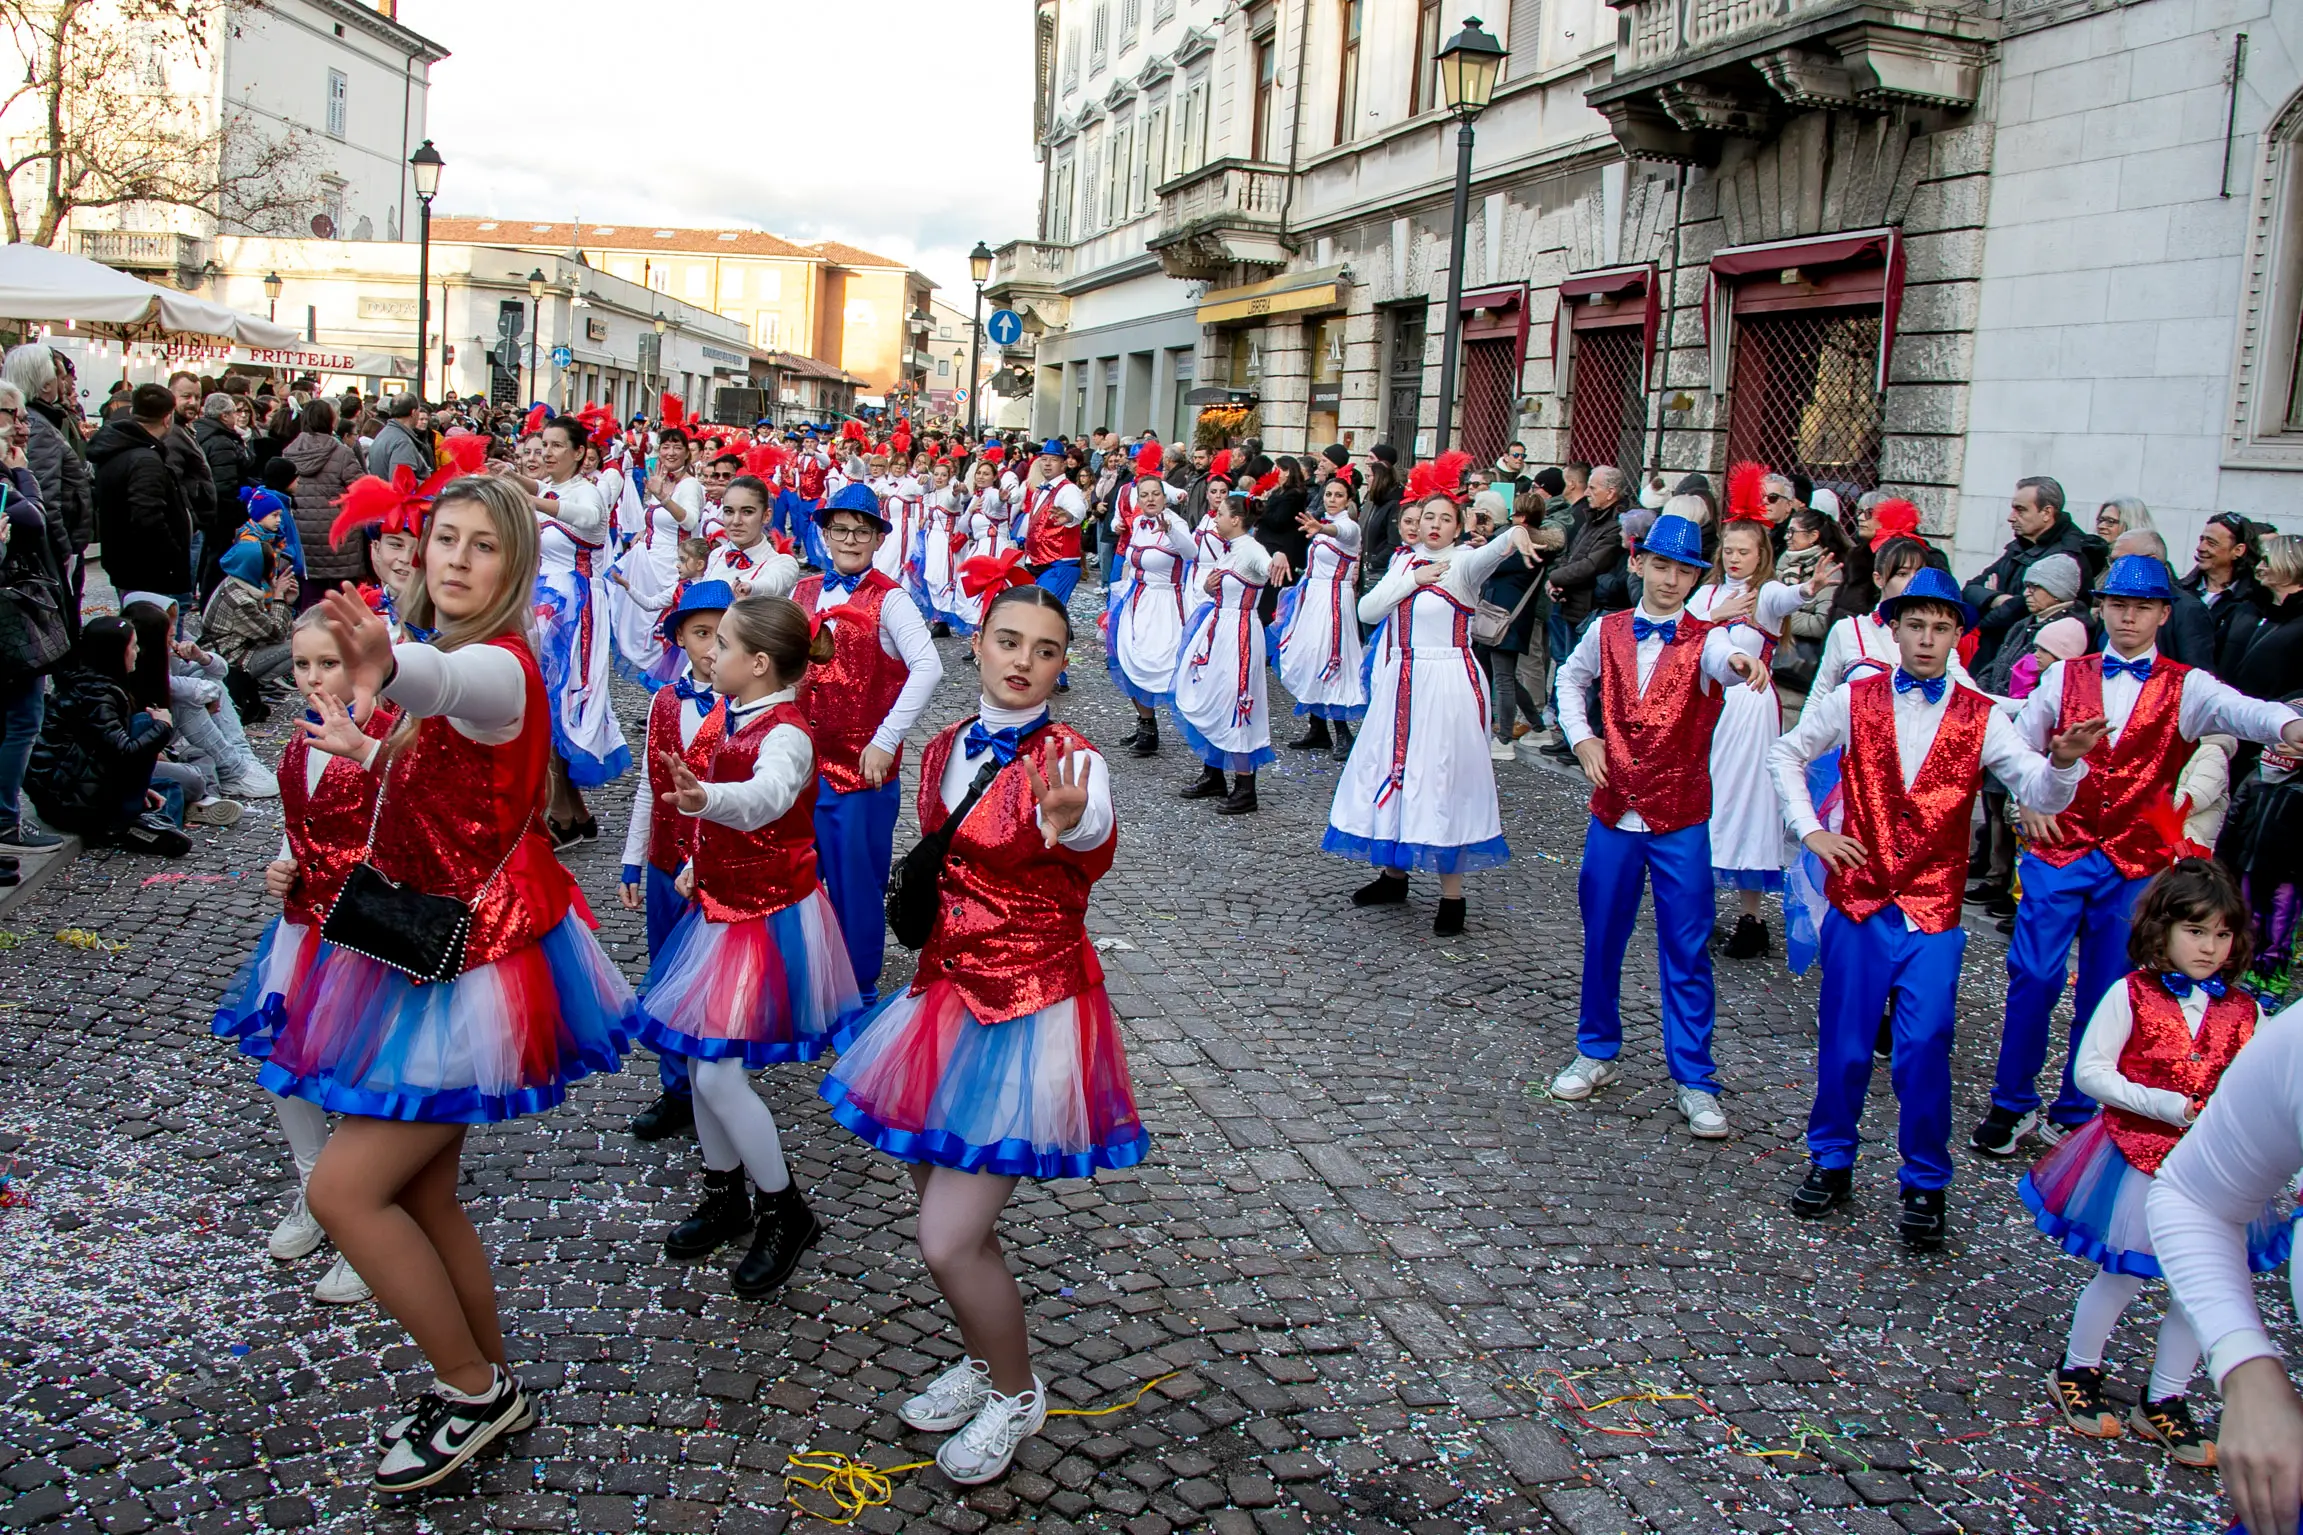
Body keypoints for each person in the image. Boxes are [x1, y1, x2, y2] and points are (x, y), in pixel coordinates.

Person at [266, 479, 637, 1492]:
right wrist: (372, 747)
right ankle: (488, 1377)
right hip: (423, 944)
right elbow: (433, 749)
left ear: (514, 566)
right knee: (426, 1196)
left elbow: (444, 685)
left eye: (483, 545)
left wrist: (394, 666)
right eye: (444, 540)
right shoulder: (453, 661)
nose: (457, 558)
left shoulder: (497, 665)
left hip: (474, 960)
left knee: (345, 1189)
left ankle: (470, 1389)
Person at [818, 583, 1143, 1487]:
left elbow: (1097, 830)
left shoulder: (1072, 760)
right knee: (947, 1218)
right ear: (977, 645)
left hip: (1029, 1013)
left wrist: (1074, 825)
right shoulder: (946, 748)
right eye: (1006, 640)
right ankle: (982, 1355)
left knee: (946, 1238)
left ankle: (1013, 1392)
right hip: (942, 1003)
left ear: (1059, 664)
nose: (1020, 659)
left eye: (1042, 649)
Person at [1768, 567, 2101, 1247]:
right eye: (1914, 625)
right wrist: (1811, 831)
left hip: (1930, 909)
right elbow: (1786, 752)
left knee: (1923, 1045)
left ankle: (1924, 1179)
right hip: (1859, 903)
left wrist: (2063, 762)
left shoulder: (1981, 716)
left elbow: (2035, 785)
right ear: (1892, 630)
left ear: (1958, 636)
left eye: (1939, 627)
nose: (1925, 638)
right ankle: (1831, 1159)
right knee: (1846, 1043)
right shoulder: (1853, 698)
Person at [1974, 554, 2303, 1155]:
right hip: (2061, 850)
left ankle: (2077, 1107)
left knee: (2109, 988)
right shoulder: (2065, 676)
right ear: (2101, 608)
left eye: (2142, 607)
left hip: (2135, 859)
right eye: (2118, 605)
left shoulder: (2190, 685)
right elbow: (2015, 743)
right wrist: (2030, 797)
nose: (2128, 617)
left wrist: (2287, 726)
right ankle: (2011, 1100)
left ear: (2161, 614)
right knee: (2033, 975)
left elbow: (2246, 711)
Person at [2023, 859, 2283, 1468]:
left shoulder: (2246, 1012)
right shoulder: (2131, 994)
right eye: (2196, 932)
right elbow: (2091, 1070)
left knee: (2200, 1290)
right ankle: (2077, 1368)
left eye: (2221, 935)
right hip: (2136, 1159)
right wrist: (2162, 1103)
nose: (2209, 947)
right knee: (2121, 1274)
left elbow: (2262, 1085)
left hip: (2215, 1173)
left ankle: (2165, 1398)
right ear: (2163, 930)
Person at [637, 594, 861, 1298]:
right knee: (706, 1063)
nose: (709, 652)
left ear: (758, 664)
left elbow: (765, 798)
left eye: (723, 643)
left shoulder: (787, 732)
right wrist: (699, 853)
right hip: (722, 906)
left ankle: (783, 1208)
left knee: (718, 1074)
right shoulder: (731, 712)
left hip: (767, 918)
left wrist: (704, 801)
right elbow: (737, 809)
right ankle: (725, 1192)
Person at [1549, 513, 1768, 1137]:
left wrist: (1741, 667)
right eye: (1662, 566)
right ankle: (1596, 1051)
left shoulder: (1709, 639)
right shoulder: (1608, 628)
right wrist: (1583, 735)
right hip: (1615, 814)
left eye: (1684, 570)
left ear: (1697, 577)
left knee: (1687, 947)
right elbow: (1570, 677)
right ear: (1638, 564)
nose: (1671, 580)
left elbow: (1726, 660)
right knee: (1603, 938)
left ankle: (1695, 1079)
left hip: (1680, 821)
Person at [211, 608, 396, 1307]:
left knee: (354, 1065)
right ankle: (315, 1186)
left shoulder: (383, 735)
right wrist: (281, 864)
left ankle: (365, 1212)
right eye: (302, 665)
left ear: (362, 666)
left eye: (328, 664)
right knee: (284, 1062)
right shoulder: (299, 741)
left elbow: (409, 829)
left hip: (362, 932)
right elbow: (300, 820)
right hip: (303, 922)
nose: (313, 678)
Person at [1327, 453, 1539, 936]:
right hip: (1401, 681)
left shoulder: (1463, 564)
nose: (1436, 525)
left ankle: (1452, 896)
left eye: (1446, 519)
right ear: (1416, 523)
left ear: (1460, 525)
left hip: (1446, 683)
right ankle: (1393, 874)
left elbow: (1492, 554)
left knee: (1443, 776)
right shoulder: (1405, 561)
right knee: (1394, 770)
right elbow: (1368, 609)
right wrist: (1412, 579)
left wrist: (1514, 537)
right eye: (1428, 518)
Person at [794, 484, 943, 1003]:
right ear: (825, 534)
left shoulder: (892, 598)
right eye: (840, 529)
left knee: (857, 885)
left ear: (878, 538)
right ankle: (809, 972)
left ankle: (857, 990)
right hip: (802, 765)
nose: (850, 539)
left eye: (862, 530)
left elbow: (928, 667)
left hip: (859, 772)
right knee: (797, 877)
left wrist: (885, 740)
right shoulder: (806, 591)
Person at [1688, 510, 1837, 958]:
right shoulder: (1708, 593)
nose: (1734, 558)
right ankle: (1700, 909)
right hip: (1708, 704)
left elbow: (1789, 597)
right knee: (1705, 799)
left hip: (1750, 709)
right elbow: (1680, 632)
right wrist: (1716, 615)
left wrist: (1809, 589)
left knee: (1749, 801)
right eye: (1728, 550)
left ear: (1761, 555)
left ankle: (1751, 917)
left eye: (1744, 551)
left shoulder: (1765, 593)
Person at [618, 580, 732, 1143]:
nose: (713, 646)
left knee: (710, 978)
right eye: (701, 633)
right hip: (666, 862)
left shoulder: (746, 710)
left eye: (723, 634)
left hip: (721, 870)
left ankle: (716, 1081)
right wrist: (632, 861)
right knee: (664, 972)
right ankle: (675, 1087)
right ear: (681, 638)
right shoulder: (665, 701)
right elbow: (647, 784)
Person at [499, 417, 630, 842]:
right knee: (542, 700)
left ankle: (560, 810)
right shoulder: (554, 488)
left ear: (579, 453)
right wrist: (512, 477)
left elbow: (586, 514)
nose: (548, 453)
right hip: (543, 606)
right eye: (544, 445)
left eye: (558, 446)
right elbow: (543, 491)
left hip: (576, 609)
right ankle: (572, 812)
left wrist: (530, 497)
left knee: (559, 702)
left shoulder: (587, 492)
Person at [24, 616, 193, 857]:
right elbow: (123, 752)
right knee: (146, 724)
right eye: (133, 646)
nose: (138, 651)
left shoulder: (90, 683)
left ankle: (147, 824)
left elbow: (100, 756)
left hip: (71, 790)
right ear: (115, 653)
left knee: (171, 787)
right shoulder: (97, 695)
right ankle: (133, 825)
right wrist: (163, 727)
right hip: (69, 803)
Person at [1171, 486, 1272, 815]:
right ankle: (1213, 772)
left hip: (1241, 632)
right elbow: (1216, 584)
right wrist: (1207, 587)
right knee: (1210, 692)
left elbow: (1269, 566)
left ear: (1237, 519)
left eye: (1221, 513)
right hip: (1219, 629)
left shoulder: (1251, 549)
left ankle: (1246, 787)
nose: (1214, 517)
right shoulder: (1230, 550)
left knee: (1237, 700)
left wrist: (1281, 558)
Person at [1963, 476, 2110, 669]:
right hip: (1995, 655)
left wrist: (1988, 610)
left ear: (2047, 512)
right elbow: (1970, 588)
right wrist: (1997, 599)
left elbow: (2017, 611)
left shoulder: (2067, 555)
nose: (2011, 517)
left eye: (2021, 509)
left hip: (2032, 664)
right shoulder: (2020, 545)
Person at [1273, 471, 1365, 760]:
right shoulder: (1324, 524)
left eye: (1339, 495)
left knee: (1331, 660)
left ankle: (1342, 733)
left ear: (1349, 499)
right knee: (1308, 656)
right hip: (1313, 597)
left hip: (1334, 601)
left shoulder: (1348, 527)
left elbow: (1344, 534)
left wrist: (1323, 530)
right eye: (1328, 494)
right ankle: (1318, 728)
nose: (1332, 499)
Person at [1106, 469, 1194, 758]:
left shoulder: (1175, 523)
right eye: (1144, 495)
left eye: (1156, 493)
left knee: (1163, 661)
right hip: (1137, 599)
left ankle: (1199, 727)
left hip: (1166, 602)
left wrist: (1171, 531)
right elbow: (1131, 560)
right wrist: (1119, 595)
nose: (1150, 499)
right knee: (1130, 656)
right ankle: (1146, 724)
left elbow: (1191, 552)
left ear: (1165, 496)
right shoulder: (1139, 524)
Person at [86, 384, 193, 602]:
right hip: (147, 569)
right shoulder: (144, 459)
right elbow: (148, 517)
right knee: (152, 628)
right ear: (167, 418)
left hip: (127, 562)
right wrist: (172, 556)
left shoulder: (121, 449)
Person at [280, 400, 368, 602]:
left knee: (310, 597)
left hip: (302, 534)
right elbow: (361, 488)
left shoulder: (288, 452)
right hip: (339, 536)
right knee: (343, 601)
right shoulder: (342, 453)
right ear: (330, 421)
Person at [193, 393, 253, 597]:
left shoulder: (200, 432)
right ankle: (210, 601)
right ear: (224, 415)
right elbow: (225, 483)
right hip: (221, 513)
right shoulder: (221, 440)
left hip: (206, 508)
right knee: (217, 560)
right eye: (234, 412)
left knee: (207, 557)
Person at [367, 393, 432, 481]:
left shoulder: (384, 433)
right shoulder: (402, 442)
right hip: (394, 493)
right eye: (418, 411)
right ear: (413, 412)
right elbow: (402, 483)